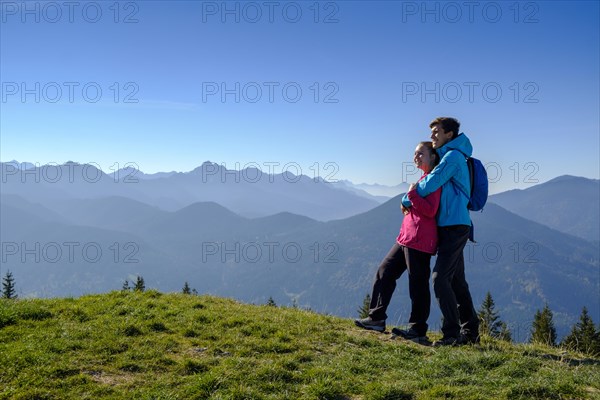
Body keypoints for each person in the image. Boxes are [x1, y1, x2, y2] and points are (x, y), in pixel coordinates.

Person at [355, 141, 441, 344]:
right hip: (406, 238)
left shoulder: (434, 181)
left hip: (420, 241)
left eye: (421, 153)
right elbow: (418, 206)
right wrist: (407, 201)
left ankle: (418, 330)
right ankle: (376, 319)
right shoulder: (423, 179)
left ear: (433, 157)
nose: (416, 157)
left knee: (417, 284)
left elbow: (430, 210)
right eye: (415, 154)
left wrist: (410, 194)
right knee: (384, 272)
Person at [415, 117, 480, 346]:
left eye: (436, 132)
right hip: (450, 226)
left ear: (449, 134)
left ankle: (452, 335)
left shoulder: (452, 157)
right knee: (456, 282)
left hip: (455, 227)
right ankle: (471, 332)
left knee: (439, 278)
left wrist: (408, 196)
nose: (433, 135)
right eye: (431, 132)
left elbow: (431, 182)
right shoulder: (449, 155)